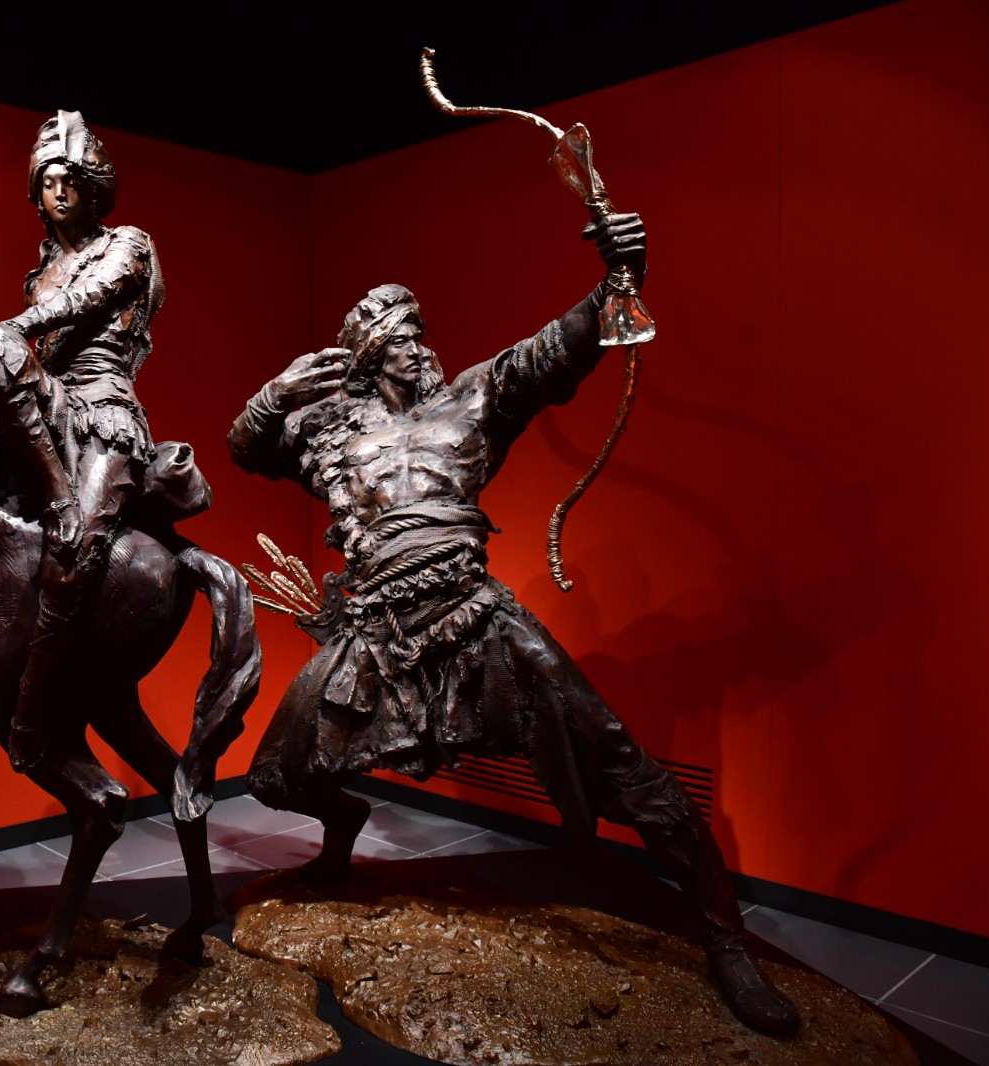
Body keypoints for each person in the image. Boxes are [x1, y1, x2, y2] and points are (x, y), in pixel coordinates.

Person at [226, 214, 801, 1037]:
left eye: (418, 333)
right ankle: (343, 825)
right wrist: (276, 393)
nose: (416, 347)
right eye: (397, 338)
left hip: (475, 615)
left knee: (631, 773)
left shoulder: (472, 399)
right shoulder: (331, 436)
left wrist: (614, 282)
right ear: (367, 356)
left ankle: (728, 945)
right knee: (277, 778)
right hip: (375, 633)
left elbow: (552, 353)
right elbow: (246, 447)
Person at [0, 111, 165, 772]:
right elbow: (32, 351)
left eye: (70, 179)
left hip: (103, 408)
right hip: (50, 405)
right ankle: (57, 494)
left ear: (93, 186)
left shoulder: (128, 244)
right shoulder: (40, 272)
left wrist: (13, 328)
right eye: (48, 182)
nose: (59, 192)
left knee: (72, 557)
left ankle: (31, 712)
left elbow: (89, 299)